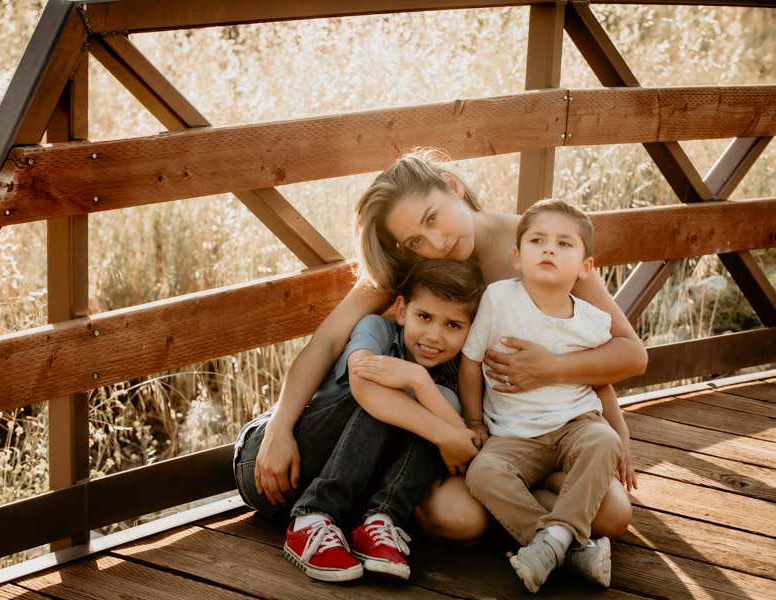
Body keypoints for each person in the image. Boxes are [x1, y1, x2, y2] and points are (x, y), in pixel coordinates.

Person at [241, 150, 646, 547]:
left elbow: (629, 352)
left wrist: (554, 371)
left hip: (543, 428)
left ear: (452, 187)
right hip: (467, 432)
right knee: (458, 517)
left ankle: (545, 531)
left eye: (432, 217)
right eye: (416, 239)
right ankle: (510, 517)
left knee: (612, 515)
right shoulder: (418, 262)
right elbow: (329, 338)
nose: (437, 242)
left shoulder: (538, 244)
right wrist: (279, 427)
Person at [235, 259, 484, 582]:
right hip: (271, 462)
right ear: (401, 310)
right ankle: (311, 517)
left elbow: (461, 441)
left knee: (437, 403)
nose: (435, 336)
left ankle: (380, 522)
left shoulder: (453, 379)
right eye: (424, 317)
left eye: (453, 325)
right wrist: (419, 390)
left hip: (347, 503)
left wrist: (421, 380)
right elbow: (364, 382)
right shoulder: (375, 328)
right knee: (385, 391)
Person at [459, 199, 635, 592]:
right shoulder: (499, 299)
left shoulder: (593, 321)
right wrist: (473, 420)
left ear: (585, 267)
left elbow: (600, 381)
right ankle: (564, 545)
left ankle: (550, 545)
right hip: (513, 433)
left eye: (564, 243)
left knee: (605, 441)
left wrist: (620, 434)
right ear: (517, 257)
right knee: (483, 473)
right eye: (537, 240)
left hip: (577, 424)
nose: (549, 249)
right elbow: (471, 362)